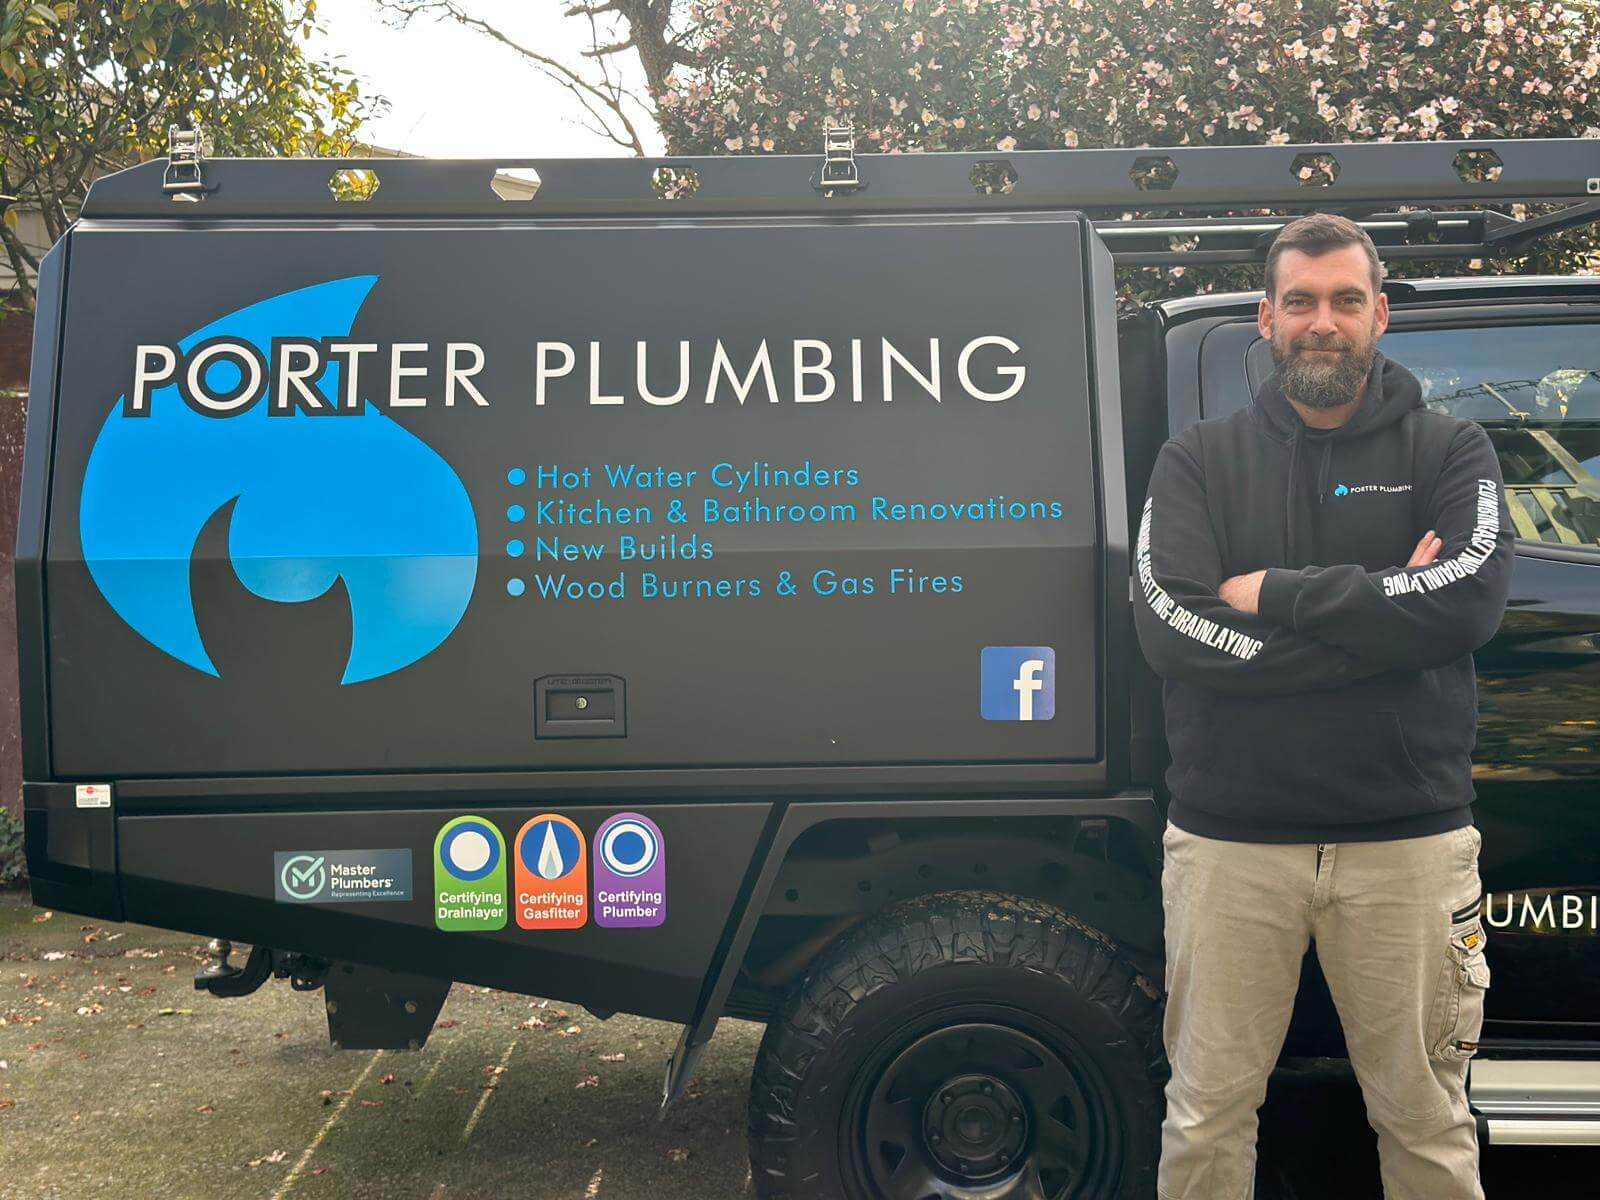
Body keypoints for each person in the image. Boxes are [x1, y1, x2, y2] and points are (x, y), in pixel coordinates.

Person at [1132, 212, 1515, 1199]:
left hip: (1406, 847)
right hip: (1230, 846)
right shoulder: (1196, 462)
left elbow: (1466, 600)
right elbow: (1169, 625)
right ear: (1265, 319)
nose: (1321, 322)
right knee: (1205, 1115)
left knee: (1426, 1118)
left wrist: (1274, 594)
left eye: (1345, 300)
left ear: (1378, 314)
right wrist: (1384, 615)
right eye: (1298, 301)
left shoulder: (1450, 448)